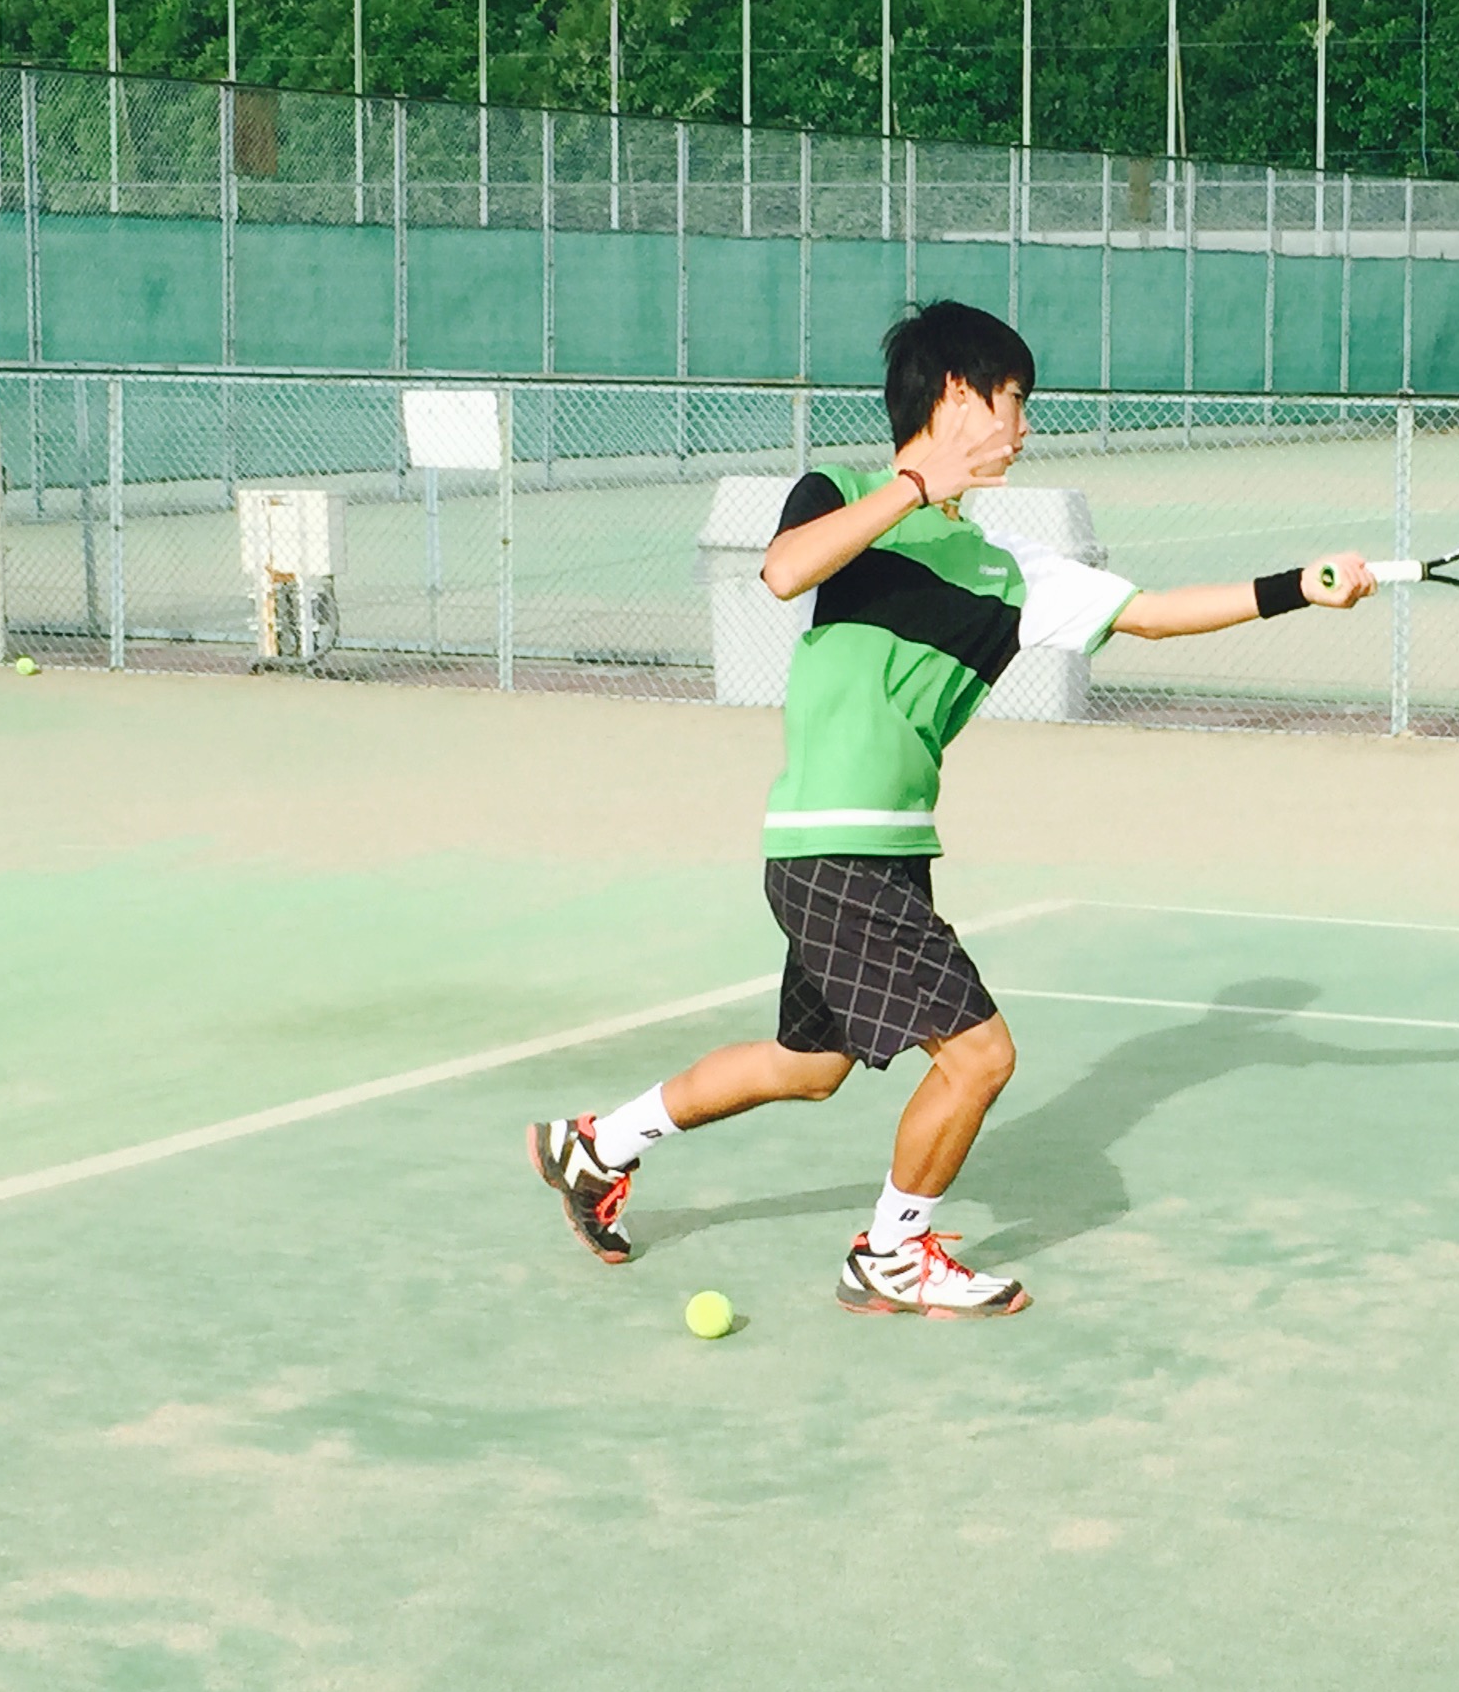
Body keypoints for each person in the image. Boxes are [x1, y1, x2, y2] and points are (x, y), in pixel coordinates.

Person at [527, 300, 1372, 1318]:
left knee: (808, 1065)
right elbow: (786, 570)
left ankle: (598, 1145)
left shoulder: (1009, 568)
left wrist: (1298, 586)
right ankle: (892, 1256)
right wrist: (914, 487)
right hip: (833, 843)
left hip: (881, 848)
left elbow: (1149, 614)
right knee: (980, 1057)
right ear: (959, 394)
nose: (1024, 426)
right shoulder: (844, 493)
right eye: (1014, 399)